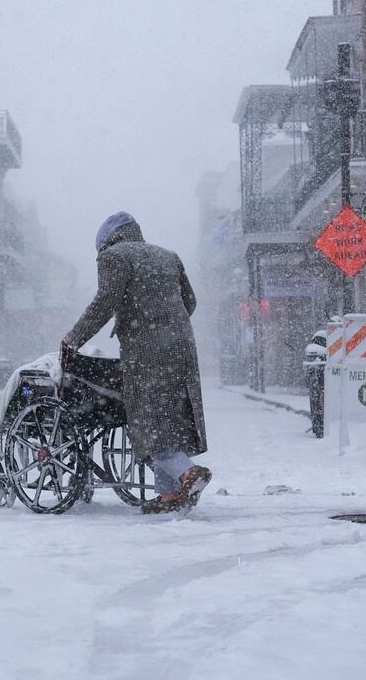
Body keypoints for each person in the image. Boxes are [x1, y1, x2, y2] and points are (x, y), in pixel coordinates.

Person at [63, 211, 211, 514]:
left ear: (105, 243)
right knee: (171, 418)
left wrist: (73, 339)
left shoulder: (113, 257)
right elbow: (190, 301)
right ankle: (169, 496)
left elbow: (105, 301)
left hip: (147, 349)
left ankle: (186, 472)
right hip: (181, 347)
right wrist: (168, 322)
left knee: (147, 418)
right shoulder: (168, 256)